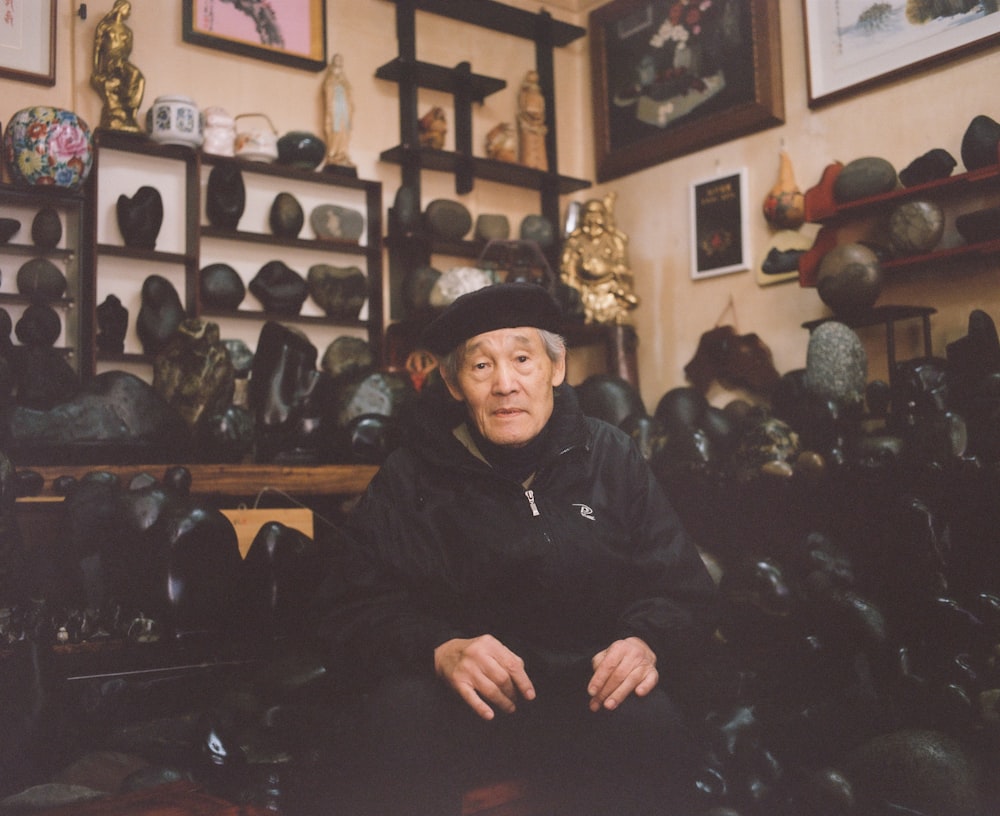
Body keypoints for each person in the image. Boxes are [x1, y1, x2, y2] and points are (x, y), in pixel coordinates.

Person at [314, 282, 718, 815]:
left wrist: (645, 642)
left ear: (556, 368)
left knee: (653, 720)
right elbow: (351, 610)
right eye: (481, 367)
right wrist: (439, 649)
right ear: (454, 383)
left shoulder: (611, 457)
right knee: (397, 714)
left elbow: (683, 590)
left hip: (590, 696)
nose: (506, 384)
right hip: (467, 706)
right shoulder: (410, 475)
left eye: (523, 359)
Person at [561, 192, 641, 325]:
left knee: (630, 303)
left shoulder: (615, 241)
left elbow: (625, 271)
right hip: (584, 293)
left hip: (609, 291)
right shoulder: (574, 242)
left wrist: (607, 268)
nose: (593, 219)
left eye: (597, 214)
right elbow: (567, 274)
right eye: (589, 214)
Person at [90, 0, 144, 132]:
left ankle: (131, 111)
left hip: (122, 61)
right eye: (128, 8)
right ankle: (126, 102)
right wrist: (97, 70)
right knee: (134, 74)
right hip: (111, 61)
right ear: (120, 8)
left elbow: (128, 50)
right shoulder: (104, 26)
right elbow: (97, 51)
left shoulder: (128, 31)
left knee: (139, 78)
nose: (129, 12)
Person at [322, 53, 355, 170]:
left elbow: (349, 93)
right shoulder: (330, 78)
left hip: (344, 107)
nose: (339, 61)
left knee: (344, 129)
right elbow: (328, 91)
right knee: (335, 129)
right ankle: (334, 154)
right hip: (335, 105)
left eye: (341, 59)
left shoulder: (344, 77)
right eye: (337, 59)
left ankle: (342, 153)